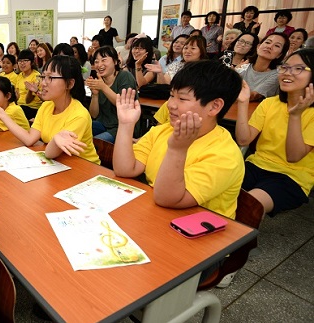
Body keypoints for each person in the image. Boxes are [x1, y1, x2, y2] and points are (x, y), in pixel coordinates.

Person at [113, 60, 244, 219]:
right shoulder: (165, 130)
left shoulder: (225, 155)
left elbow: (166, 199)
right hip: (158, 217)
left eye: (182, 98)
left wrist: (177, 149)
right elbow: (125, 169)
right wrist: (126, 125)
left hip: (201, 235)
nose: (170, 105)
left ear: (214, 106)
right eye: (171, 95)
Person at [235, 49, 314, 216]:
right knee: (215, 190)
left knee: (248, 206)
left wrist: (295, 116)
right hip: (255, 165)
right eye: (285, 67)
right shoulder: (269, 103)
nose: (288, 73)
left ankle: (234, 241)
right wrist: (243, 101)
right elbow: (244, 140)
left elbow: (293, 157)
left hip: (291, 178)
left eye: (298, 69)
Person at [0, 55, 100, 163]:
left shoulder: (79, 115)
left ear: (69, 84)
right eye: (43, 77)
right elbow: (29, 139)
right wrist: (3, 116)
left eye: (50, 77)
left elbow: (52, 153)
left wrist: (55, 140)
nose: (43, 83)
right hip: (60, 164)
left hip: (83, 168)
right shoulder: (47, 106)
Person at [87, 46, 139, 142]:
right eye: (96, 61)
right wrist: (95, 95)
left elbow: (124, 105)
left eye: (104, 60)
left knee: (97, 142)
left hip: (122, 127)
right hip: (103, 124)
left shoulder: (125, 76)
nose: (99, 65)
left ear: (115, 62)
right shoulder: (100, 81)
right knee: (80, 129)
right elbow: (94, 114)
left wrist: (103, 87)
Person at [239, 33, 289, 101]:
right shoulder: (244, 67)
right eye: (268, 42)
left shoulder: (276, 75)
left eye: (277, 46)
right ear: (258, 47)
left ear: (279, 55)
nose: (269, 47)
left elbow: (252, 96)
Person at [13, 49, 42, 120]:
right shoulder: (20, 75)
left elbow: (28, 101)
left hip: (32, 108)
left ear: (32, 62)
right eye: (20, 61)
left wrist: (30, 90)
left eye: (25, 61)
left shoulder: (36, 76)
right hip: (20, 106)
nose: (22, 63)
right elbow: (17, 96)